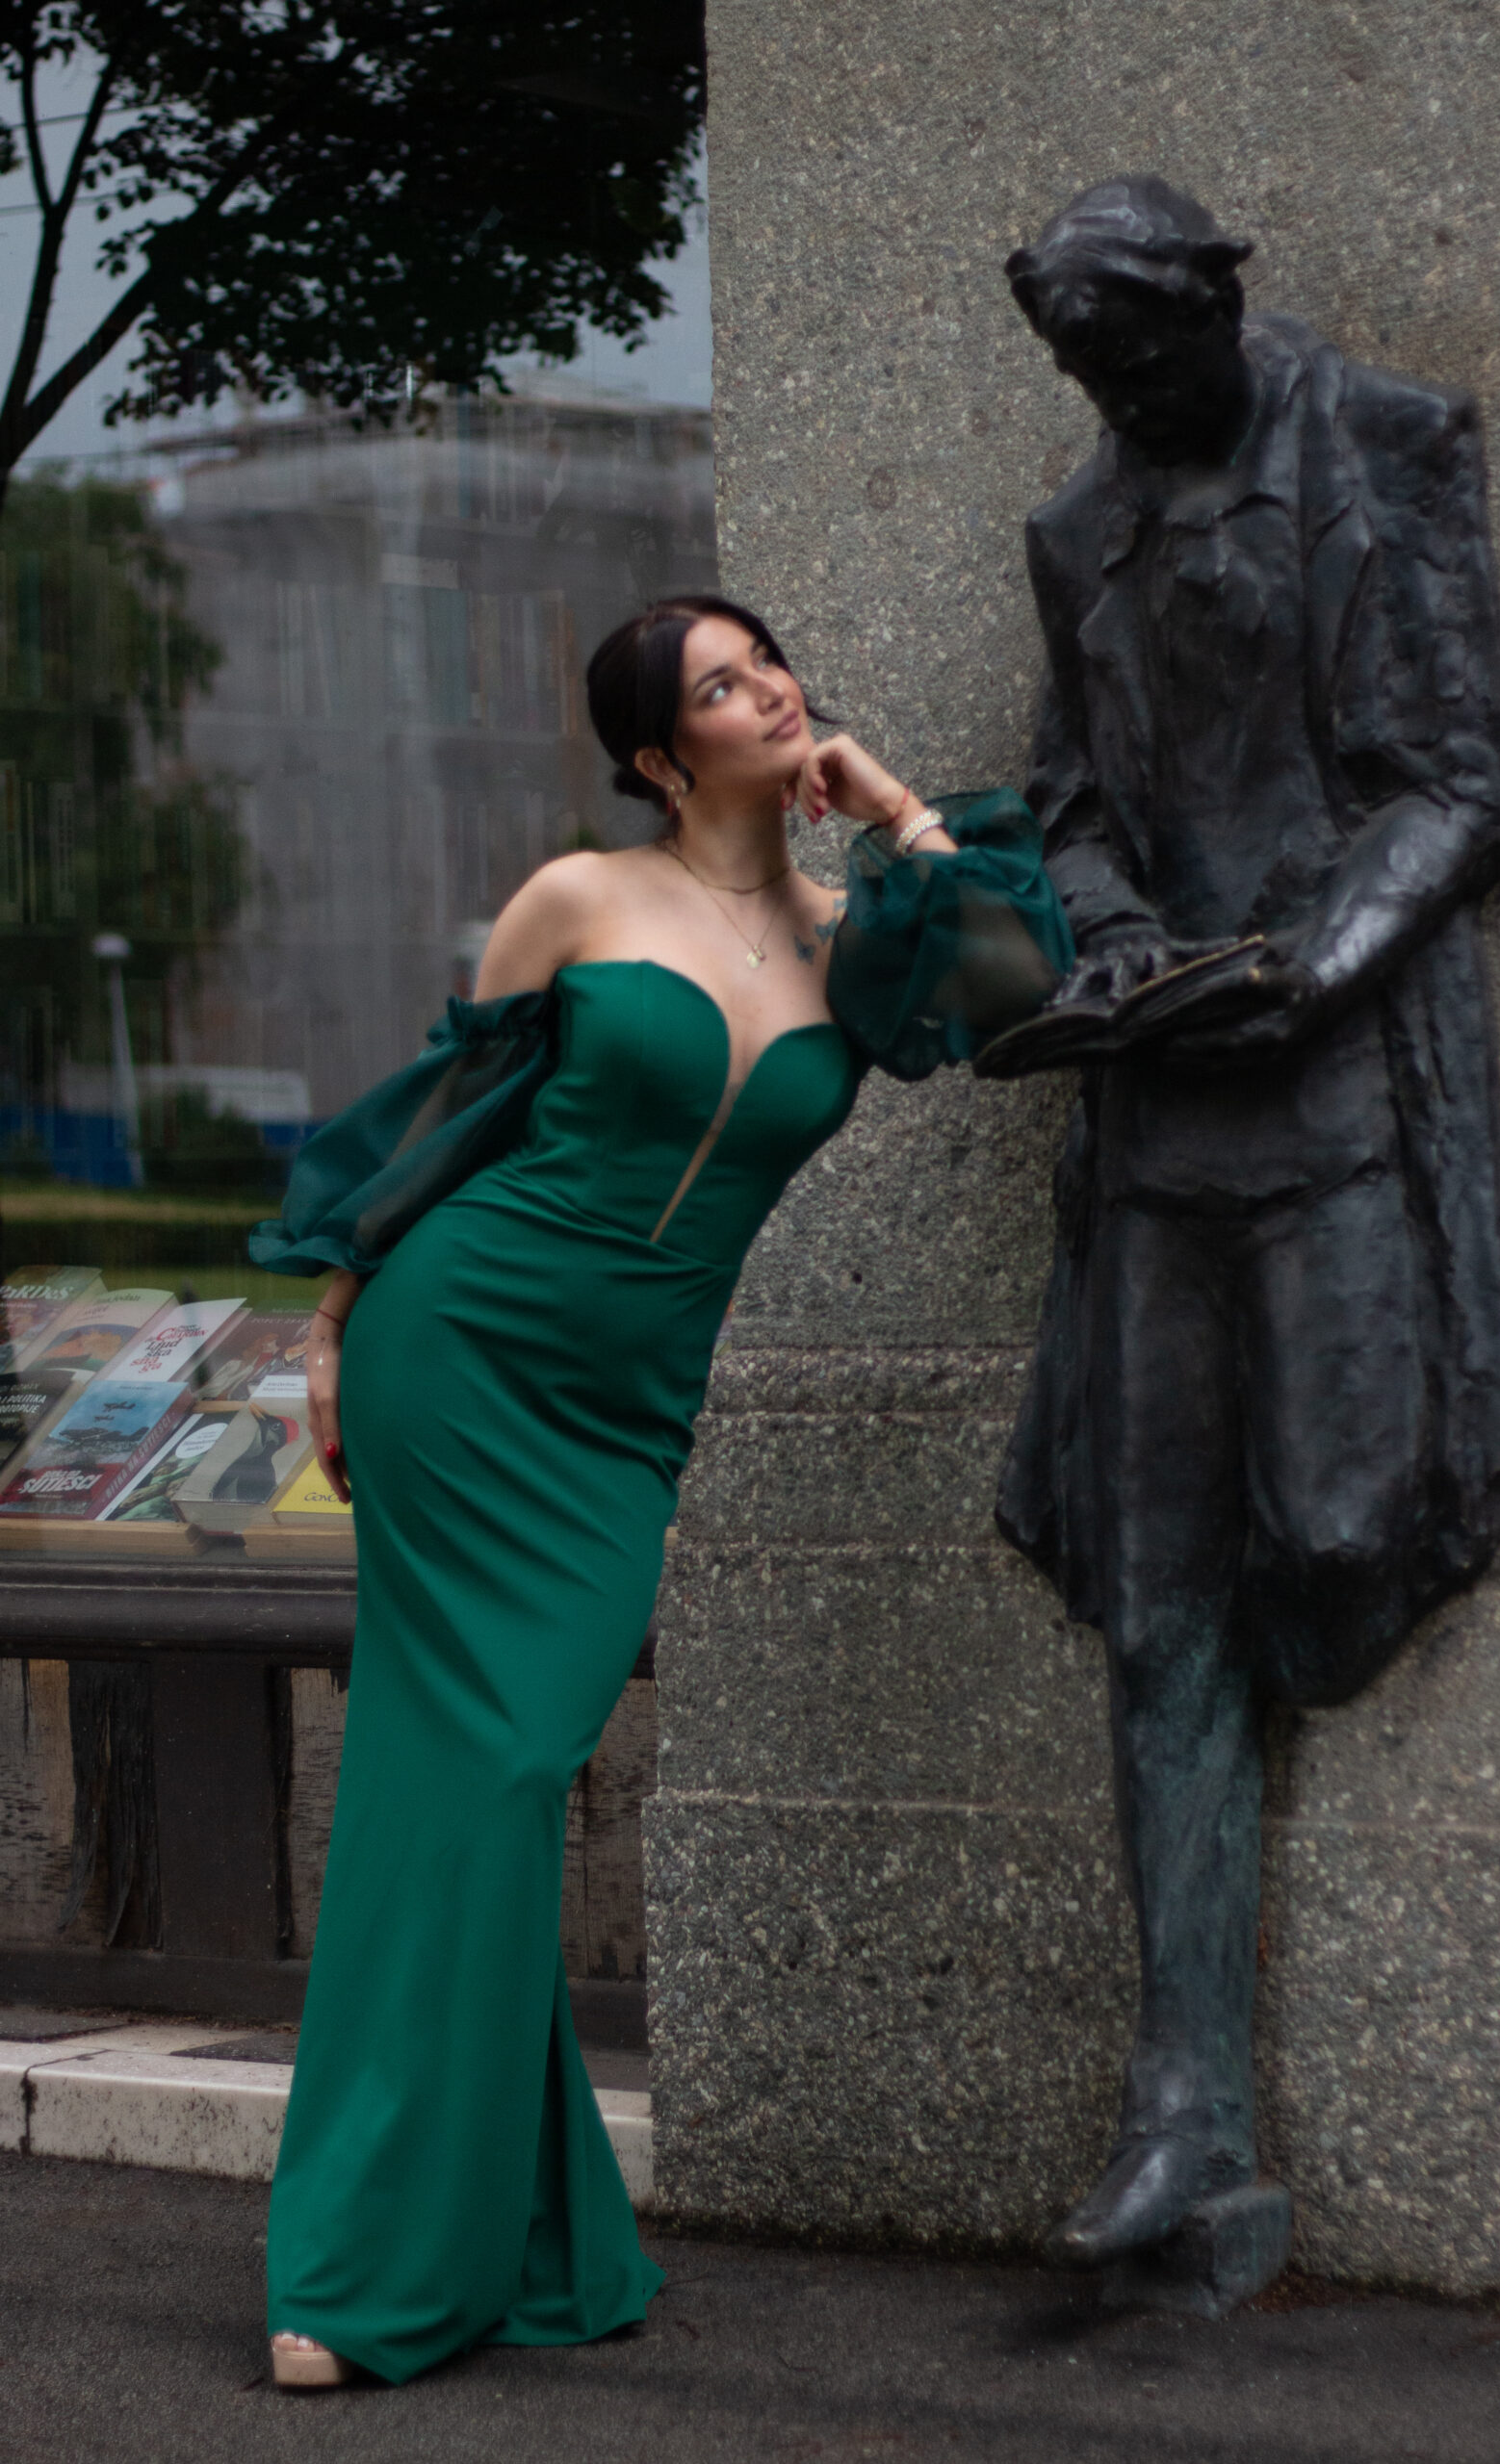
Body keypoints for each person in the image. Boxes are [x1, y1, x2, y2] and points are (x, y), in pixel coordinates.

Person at [252, 592, 1072, 2388]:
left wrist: (900, 811)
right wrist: (327, 1328)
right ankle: (360, 2268)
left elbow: (1024, 990)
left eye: (765, 660)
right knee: (469, 1782)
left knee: (504, 1773)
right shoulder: (579, 898)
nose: (767, 688)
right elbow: (444, 1126)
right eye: (719, 684)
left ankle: (528, 2230)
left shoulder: (860, 938)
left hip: (623, 1417)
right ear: (655, 755)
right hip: (458, 1353)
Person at [985, 177, 1500, 2273]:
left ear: (1218, 301)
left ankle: (1198, 2099)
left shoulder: (1383, 441)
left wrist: (1316, 959)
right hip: (1157, 1127)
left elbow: (1462, 781)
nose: (1120, 402)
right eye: (1087, 376)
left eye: (1141, 359)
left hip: (1334, 1096)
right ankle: (1181, 2113)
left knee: (1331, 1534)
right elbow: (1065, 803)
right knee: (1158, 1609)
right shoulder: (1078, 533)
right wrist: (1118, 937)